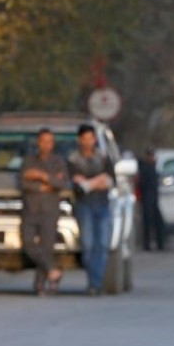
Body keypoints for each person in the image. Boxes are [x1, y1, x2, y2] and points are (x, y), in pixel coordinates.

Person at [19, 128, 69, 296]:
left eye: (50, 142)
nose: (46, 145)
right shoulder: (28, 160)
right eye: (43, 141)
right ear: (37, 143)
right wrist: (45, 185)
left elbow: (62, 184)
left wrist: (41, 175)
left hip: (50, 210)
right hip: (30, 209)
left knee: (47, 247)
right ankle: (52, 270)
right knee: (28, 244)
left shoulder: (58, 161)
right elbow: (22, 183)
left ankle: (40, 284)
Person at [67, 124, 115, 295]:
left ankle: (95, 283)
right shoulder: (73, 160)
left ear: (95, 139)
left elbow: (110, 182)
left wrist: (88, 183)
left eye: (91, 138)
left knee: (102, 245)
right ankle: (93, 281)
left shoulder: (103, 157)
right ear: (79, 140)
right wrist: (98, 181)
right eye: (84, 139)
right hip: (84, 206)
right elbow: (77, 187)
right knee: (87, 245)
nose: (88, 142)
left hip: (102, 205)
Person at [138, 148, 166, 251]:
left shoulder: (152, 167)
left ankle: (159, 244)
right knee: (148, 223)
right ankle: (148, 244)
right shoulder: (145, 168)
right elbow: (143, 184)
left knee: (158, 222)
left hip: (153, 199)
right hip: (147, 199)